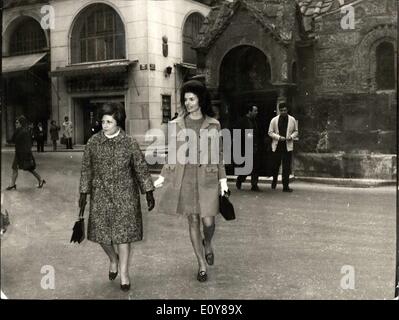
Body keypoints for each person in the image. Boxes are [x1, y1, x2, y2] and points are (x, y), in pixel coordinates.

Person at [154, 80, 229, 282]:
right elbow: (172, 155)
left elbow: (218, 154)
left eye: (192, 99)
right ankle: (201, 264)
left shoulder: (214, 124)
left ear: (201, 100)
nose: (188, 103)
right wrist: (163, 176)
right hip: (185, 178)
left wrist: (223, 181)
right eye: (185, 99)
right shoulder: (176, 125)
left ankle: (209, 243)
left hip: (207, 179)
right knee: (193, 220)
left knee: (209, 221)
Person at [78, 103, 155, 292]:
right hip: (101, 194)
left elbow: (140, 168)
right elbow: (86, 169)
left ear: (118, 122)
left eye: (109, 122)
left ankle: (124, 275)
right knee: (101, 235)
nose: (104, 125)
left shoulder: (129, 143)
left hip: (125, 196)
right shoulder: (93, 143)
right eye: (102, 121)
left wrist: (149, 191)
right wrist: (83, 193)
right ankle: (113, 259)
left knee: (123, 236)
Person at [6, 116, 46, 190]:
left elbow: (29, 144)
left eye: (17, 122)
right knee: (14, 168)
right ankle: (12, 184)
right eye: (15, 122)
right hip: (18, 153)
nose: (15, 124)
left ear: (21, 123)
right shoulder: (18, 131)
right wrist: (16, 131)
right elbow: (13, 140)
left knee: (29, 169)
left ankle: (40, 180)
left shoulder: (25, 132)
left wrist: (28, 155)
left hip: (24, 154)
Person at [268, 102, 298, 192]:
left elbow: (296, 131)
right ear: (279, 110)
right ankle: (274, 180)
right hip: (277, 146)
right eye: (281, 110)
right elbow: (270, 132)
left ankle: (285, 186)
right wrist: (278, 137)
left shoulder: (292, 119)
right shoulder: (274, 120)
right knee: (275, 166)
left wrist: (291, 137)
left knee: (286, 167)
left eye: (285, 110)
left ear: (287, 110)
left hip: (287, 146)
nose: (283, 112)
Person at [235, 105, 261, 191]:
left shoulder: (255, 122)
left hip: (254, 147)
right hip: (245, 147)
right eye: (255, 111)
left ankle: (254, 185)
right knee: (246, 168)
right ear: (249, 111)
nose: (257, 113)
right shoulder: (242, 121)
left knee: (255, 166)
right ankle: (240, 179)